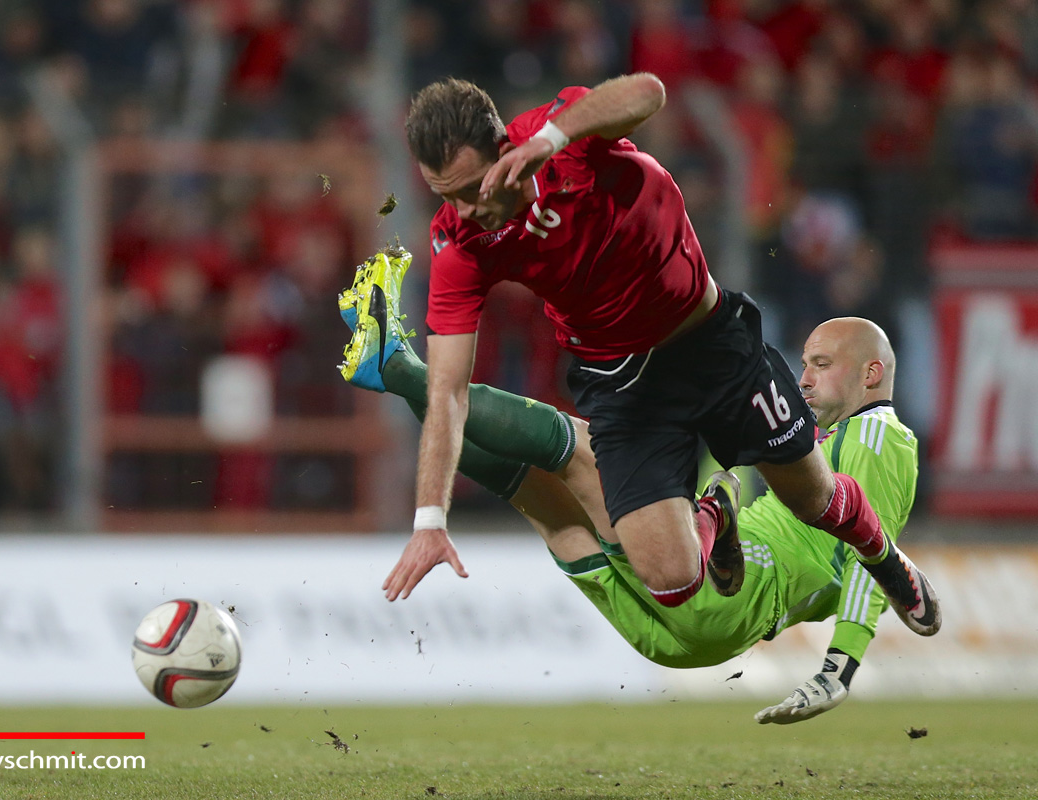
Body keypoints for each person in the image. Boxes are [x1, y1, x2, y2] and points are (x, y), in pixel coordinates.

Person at [343, 73, 938, 635]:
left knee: (816, 500)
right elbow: (447, 390)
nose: (467, 210)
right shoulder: (460, 243)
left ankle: (886, 562)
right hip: (622, 384)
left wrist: (556, 135)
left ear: (505, 148)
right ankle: (714, 515)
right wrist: (430, 520)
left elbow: (648, 92)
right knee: (672, 581)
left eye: (474, 189)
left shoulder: (565, 140)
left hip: (710, 343)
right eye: (447, 196)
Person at [338, 254, 922, 723]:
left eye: (821, 364)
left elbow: (873, 558)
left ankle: (397, 370)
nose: (804, 377)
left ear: (872, 373)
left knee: (581, 450)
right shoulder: (819, 440)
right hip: (688, 636)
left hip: (731, 594)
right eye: (805, 362)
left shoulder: (879, 433)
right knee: (539, 495)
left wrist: (837, 670)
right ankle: (394, 372)